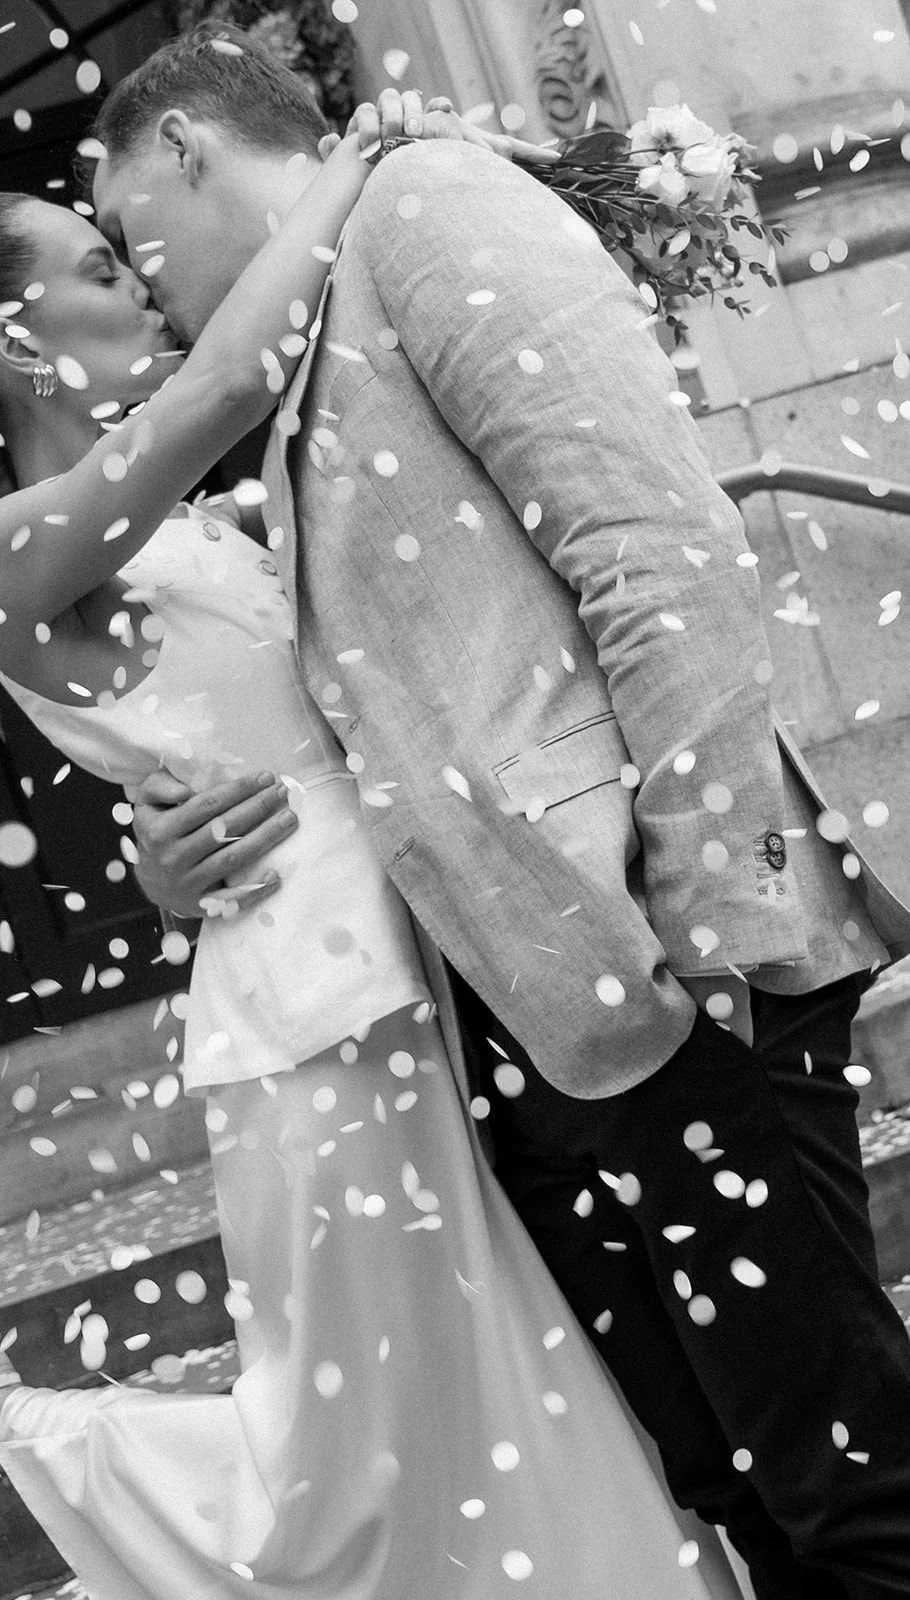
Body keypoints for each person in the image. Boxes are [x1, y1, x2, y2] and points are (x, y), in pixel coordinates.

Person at [0, 80, 739, 1599]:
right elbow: (234, 379)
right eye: (101, 266)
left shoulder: (195, 529)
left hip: (427, 973)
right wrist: (362, 156)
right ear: (21, 347)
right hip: (317, 1032)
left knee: (518, 1395)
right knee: (343, 1472)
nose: (140, 281)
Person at [95, 26, 910, 1600]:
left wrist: (709, 917)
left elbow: (658, 555)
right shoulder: (314, 316)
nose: (146, 292)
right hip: (526, 1005)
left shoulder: (428, 210)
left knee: (846, 1481)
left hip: (671, 969)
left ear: (195, 146)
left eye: (137, 242)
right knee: (721, 1484)